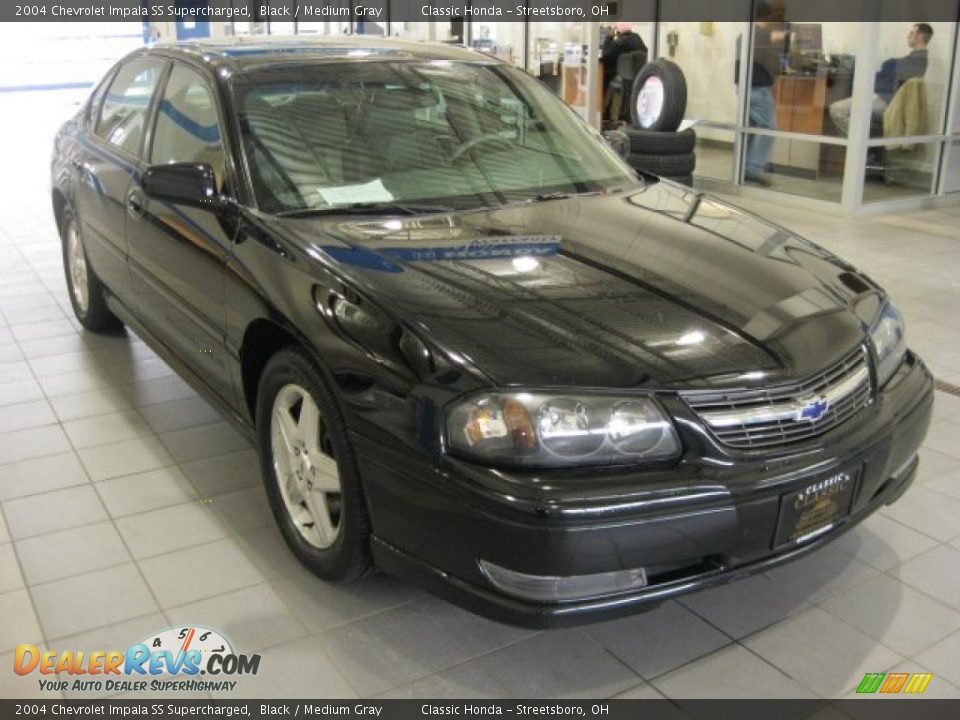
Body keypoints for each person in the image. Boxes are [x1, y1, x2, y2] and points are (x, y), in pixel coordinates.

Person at [829, 23, 933, 137]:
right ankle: (862, 146)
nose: (908, 36)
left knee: (837, 109)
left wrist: (883, 68)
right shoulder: (917, 61)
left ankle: (860, 150)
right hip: (888, 99)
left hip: (888, 101)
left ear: (920, 37)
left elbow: (888, 84)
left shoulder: (914, 62)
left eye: (911, 33)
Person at [742, 1, 786, 185]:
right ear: (766, 17)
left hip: (745, 89)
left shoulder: (743, 35)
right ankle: (753, 168)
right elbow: (775, 36)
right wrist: (794, 34)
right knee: (768, 128)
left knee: (750, 129)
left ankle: (745, 166)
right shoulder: (760, 33)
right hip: (758, 89)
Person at [601, 23, 648, 92]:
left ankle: (601, 101)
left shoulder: (619, 42)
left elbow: (605, 56)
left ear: (617, 30)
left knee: (601, 75)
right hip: (638, 78)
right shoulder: (637, 38)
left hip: (622, 78)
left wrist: (609, 37)